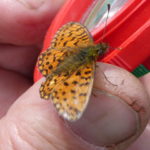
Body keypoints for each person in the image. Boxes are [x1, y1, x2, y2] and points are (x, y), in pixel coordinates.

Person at [0, 0, 149, 149]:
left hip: (56, 58)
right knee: (96, 75)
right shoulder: (89, 65)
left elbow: (70, 29)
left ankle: (52, 80)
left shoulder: (83, 41)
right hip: (68, 70)